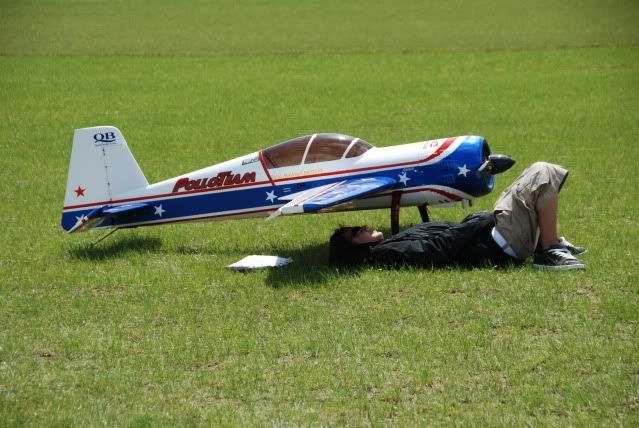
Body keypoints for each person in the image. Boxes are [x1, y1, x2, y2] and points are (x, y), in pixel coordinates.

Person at [329, 162, 587, 270]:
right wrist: (481, 220)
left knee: (537, 176)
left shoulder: (387, 247)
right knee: (541, 172)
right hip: (499, 243)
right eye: (356, 232)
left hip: (499, 238)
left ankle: (546, 244)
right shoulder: (386, 254)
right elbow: (438, 247)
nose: (363, 226)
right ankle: (548, 250)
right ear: (354, 249)